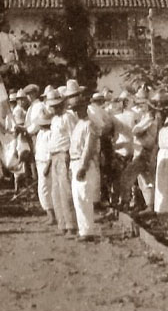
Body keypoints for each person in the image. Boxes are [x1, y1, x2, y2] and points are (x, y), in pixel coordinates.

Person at [68, 96, 100, 242]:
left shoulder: (90, 124)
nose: (77, 112)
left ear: (85, 108)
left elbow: (88, 148)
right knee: (78, 198)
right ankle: (83, 231)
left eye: (79, 109)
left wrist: (83, 166)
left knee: (84, 197)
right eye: (75, 110)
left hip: (84, 163)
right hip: (75, 162)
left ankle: (88, 232)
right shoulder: (78, 124)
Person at [48, 89, 77, 236]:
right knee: (56, 192)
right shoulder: (54, 120)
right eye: (52, 106)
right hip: (54, 155)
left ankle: (71, 225)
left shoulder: (68, 117)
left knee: (66, 192)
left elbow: (74, 137)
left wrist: (69, 155)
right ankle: (62, 224)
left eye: (55, 105)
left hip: (64, 154)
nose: (53, 108)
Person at [33, 112, 56, 224]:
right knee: (43, 189)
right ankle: (49, 214)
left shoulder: (50, 134)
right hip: (39, 162)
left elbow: (51, 151)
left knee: (45, 189)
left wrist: (48, 165)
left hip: (46, 163)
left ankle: (52, 215)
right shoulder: (40, 133)